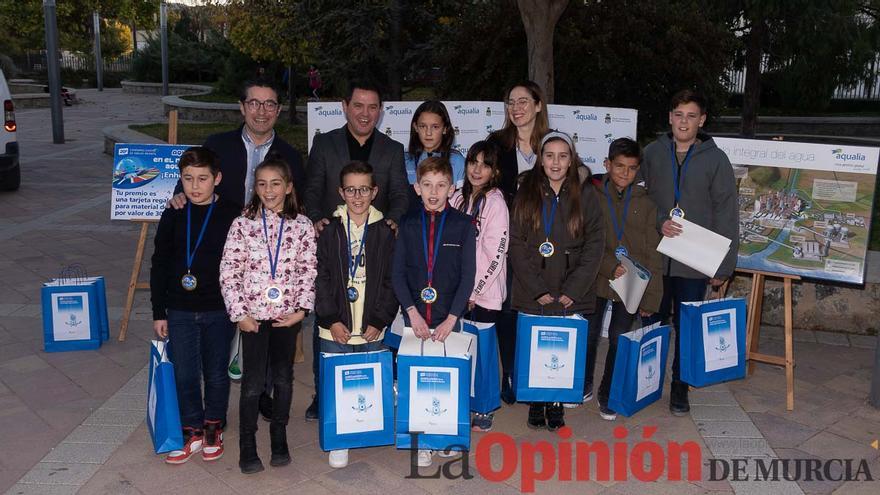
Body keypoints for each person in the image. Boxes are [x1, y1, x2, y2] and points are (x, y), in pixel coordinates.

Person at [303, 80, 409, 420]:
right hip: (334, 244)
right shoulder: (324, 143)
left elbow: (402, 196)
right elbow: (312, 189)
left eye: (373, 106)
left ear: (381, 110)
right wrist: (317, 219)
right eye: (359, 105)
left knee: (372, 319)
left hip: (373, 244)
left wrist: (392, 221)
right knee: (330, 319)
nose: (366, 113)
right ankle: (323, 395)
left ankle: (370, 394)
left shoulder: (392, 149)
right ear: (345, 106)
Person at [640, 89, 739, 416]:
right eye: (679, 115)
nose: (684, 121)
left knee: (686, 326)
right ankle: (645, 382)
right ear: (670, 117)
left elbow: (726, 212)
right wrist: (657, 222)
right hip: (655, 257)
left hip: (694, 262)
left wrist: (723, 265)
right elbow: (639, 202)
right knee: (651, 323)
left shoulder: (716, 160)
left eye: (691, 116)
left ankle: (679, 386)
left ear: (702, 120)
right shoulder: (652, 153)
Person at [219, 157, 317, 474]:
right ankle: (247, 443)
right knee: (251, 384)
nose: (268, 190)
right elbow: (229, 272)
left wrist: (300, 310)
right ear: (254, 187)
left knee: (283, 380)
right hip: (253, 318)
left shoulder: (302, 225)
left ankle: (279, 435)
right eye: (261, 184)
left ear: (288, 187)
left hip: (286, 318)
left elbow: (307, 272)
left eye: (275, 184)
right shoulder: (242, 224)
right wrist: (239, 314)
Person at [508, 131, 604, 432]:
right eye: (549, 155)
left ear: (571, 159)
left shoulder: (587, 194)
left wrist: (573, 291)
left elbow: (595, 245)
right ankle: (537, 402)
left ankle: (556, 402)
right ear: (541, 158)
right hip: (533, 288)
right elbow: (517, 244)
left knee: (561, 350)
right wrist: (537, 290)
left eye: (563, 156)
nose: (556, 162)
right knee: (536, 347)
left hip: (570, 289)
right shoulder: (526, 192)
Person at [150, 147, 240, 464]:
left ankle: (213, 426)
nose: (195, 186)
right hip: (179, 308)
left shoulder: (233, 213)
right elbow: (160, 263)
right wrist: (158, 311)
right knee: (185, 374)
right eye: (187, 178)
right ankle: (192, 430)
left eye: (202, 178)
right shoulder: (174, 212)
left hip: (219, 307)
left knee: (215, 372)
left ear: (217, 179)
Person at [392, 156, 476, 468]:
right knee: (418, 377)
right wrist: (411, 313)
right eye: (427, 184)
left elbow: (468, 276)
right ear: (416, 187)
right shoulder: (408, 224)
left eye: (441, 185)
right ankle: (422, 440)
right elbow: (397, 274)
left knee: (446, 378)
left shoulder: (464, 225)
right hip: (415, 316)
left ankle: (444, 436)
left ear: (452, 188)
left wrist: (453, 318)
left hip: (448, 318)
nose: (433, 191)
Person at [314, 161, 399, 469]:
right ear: (341, 192)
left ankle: (366, 429)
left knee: (367, 382)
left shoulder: (385, 231)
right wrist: (331, 318)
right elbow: (319, 277)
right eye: (351, 189)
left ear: (374, 191)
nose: (358, 196)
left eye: (364, 189)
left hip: (371, 325)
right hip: (335, 326)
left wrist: (380, 319)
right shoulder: (328, 229)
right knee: (337, 383)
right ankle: (340, 440)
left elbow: (393, 279)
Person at [581, 138, 663, 421]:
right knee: (590, 334)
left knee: (618, 337)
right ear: (607, 165)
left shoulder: (647, 204)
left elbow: (653, 252)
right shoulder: (590, 195)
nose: (624, 173)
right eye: (619, 167)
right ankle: (584, 383)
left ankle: (608, 393)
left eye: (631, 168)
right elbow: (585, 240)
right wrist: (608, 265)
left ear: (638, 169)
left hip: (631, 285)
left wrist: (650, 298)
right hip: (596, 278)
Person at [486, 81, 550, 404]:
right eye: (511, 102)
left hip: (545, 241)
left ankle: (541, 374)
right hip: (507, 240)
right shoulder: (495, 144)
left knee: (539, 308)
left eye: (524, 101)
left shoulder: (552, 143)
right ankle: (510, 372)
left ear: (539, 105)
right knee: (508, 308)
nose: (517, 107)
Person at [168, 79, 306, 212]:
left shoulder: (291, 157)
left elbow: (298, 203)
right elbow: (194, 174)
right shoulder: (216, 145)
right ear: (242, 107)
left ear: (278, 110)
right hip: (218, 231)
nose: (262, 111)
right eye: (253, 103)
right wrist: (180, 194)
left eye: (269, 104)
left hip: (269, 233)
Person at [450, 140, 508, 432]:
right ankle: (463, 399)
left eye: (485, 164)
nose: (477, 169)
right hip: (458, 290)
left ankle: (485, 407)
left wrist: (474, 292)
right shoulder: (458, 198)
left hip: (483, 295)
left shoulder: (495, 203)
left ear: (495, 171)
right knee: (461, 348)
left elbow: (496, 254)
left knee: (483, 351)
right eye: (473, 162)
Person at [405, 100, 466, 203]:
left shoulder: (458, 161)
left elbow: (463, 202)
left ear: (445, 129)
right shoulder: (404, 160)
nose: (428, 133)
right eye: (423, 126)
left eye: (435, 127)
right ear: (415, 127)